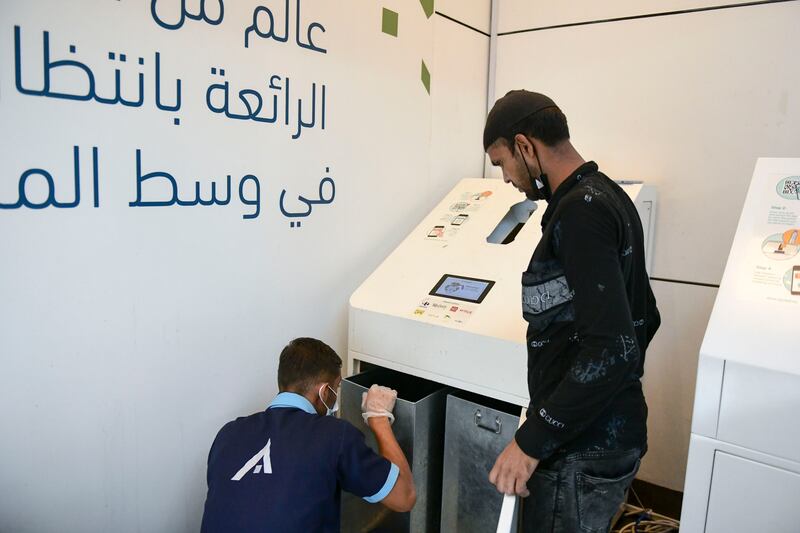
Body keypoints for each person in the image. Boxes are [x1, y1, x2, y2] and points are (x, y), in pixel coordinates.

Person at [483, 90, 661, 532]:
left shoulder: (581, 215)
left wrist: (532, 439)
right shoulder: (609, 197)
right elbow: (645, 317)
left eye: (502, 161)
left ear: (525, 145)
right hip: (605, 435)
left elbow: (611, 347)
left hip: (582, 450)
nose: (506, 178)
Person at [200, 337, 416, 532]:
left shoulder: (227, 434)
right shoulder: (333, 435)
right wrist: (378, 418)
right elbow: (405, 497)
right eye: (336, 389)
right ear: (324, 392)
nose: (335, 399)